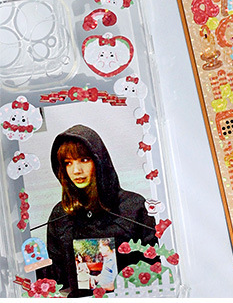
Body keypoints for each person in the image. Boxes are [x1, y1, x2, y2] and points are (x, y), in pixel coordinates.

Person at [45, 125, 157, 296]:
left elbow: (154, 266)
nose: (76, 171)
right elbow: (58, 277)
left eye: (84, 160)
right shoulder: (60, 215)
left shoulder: (133, 206)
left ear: (99, 161)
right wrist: (35, 268)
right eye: (68, 163)